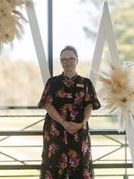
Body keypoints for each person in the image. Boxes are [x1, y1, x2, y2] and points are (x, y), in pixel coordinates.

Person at [38, 45, 101, 179]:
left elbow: (89, 106)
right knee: (54, 164)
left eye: (71, 58)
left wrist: (82, 123)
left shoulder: (86, 83)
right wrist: (63, 122)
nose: (68, 62)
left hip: (79, 130)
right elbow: (47, 105)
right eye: (64, 59)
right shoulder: (53, 82)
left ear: (77, 60)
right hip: (56, 130)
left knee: (79, 164)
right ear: (60, 62)